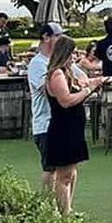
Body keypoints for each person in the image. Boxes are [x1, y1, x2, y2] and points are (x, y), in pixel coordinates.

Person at [45, 35, 103, 215]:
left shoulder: (68, 73)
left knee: (71, 172)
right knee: (64, 176)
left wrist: (91, 84)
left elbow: (77, 90)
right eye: (72, 53)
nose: (75, 56)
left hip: (73, 129)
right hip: (63, 129)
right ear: (64, 53)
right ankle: (64, 215)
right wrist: (88, 90)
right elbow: (66, 101)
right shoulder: (56, 74)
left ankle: (68, 208)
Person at [27, 22, 64, 194]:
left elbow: (82, 76)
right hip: (45, 125)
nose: (61, 39)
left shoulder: (59, 60)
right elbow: (49, 90)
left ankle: (66, 211)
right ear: (46, 37)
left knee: (67, 169)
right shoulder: (37, 64)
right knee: (51, 168)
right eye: (57, 35)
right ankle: (48, 209)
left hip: (61, 122)